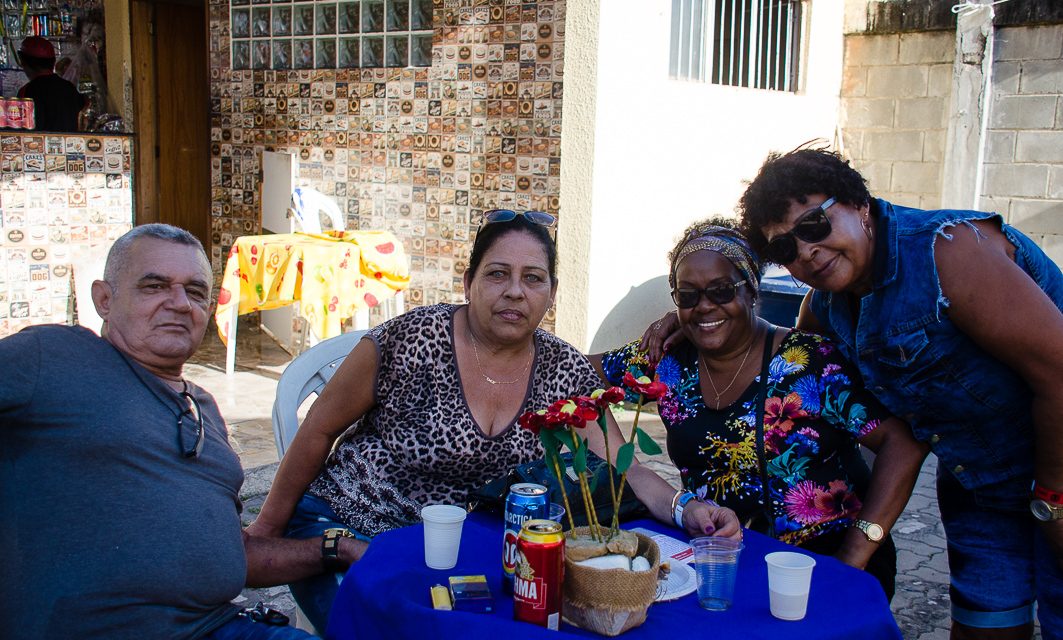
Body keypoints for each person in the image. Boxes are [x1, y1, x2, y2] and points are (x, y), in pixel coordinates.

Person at [245, 210, 742, 634]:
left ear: (549, 292)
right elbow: (318, 431)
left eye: (533, 278)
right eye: (497, 274)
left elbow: (624, 465)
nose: (514, 293)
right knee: (397, 627)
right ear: (469, 282)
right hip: (348, 524)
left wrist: (686, 508)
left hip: (467, 552)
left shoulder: (562, 368)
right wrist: (268, 529)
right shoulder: (408, 340)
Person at [735, 148, 1063, 639]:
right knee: (986, 626)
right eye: (784, 250)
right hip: (978, 483)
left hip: (1056, 473)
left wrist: (1052, 499)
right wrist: (697, 321)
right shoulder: (826, 308)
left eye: (813, 226)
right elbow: (789, 364)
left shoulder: (947, 252)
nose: (805, 253)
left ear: (860, 205)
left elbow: (1059, 374)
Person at [0, 224, 321, 639]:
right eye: (154, 286)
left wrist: (338, 549)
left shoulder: (202, 407)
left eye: (195, 291)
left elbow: (233, 555)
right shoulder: (54, 359)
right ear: (104, 299)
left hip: (221, 627)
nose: (179, 303)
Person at [595, 220, 926, 600]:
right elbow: (571, 369)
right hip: (720, 559)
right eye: (688, 295)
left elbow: (901, 443)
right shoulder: (668, 357)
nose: (704, 306)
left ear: (752, 290)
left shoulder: (807, 362)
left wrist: (853, 554)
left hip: (822, 560)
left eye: (721, 291)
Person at [16, 36, 85, 132]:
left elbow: (23, 132)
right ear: (53, 62)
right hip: (70, 144)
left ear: (24, 62)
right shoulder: (69, 88)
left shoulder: (27, 91)